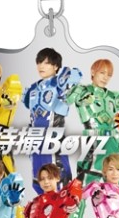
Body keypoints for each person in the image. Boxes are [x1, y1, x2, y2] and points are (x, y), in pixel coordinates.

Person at [65, 59, 119, 218]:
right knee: (80, 189)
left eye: (109, 74)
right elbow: (67, 99)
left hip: (113, 143)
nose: (105, 77)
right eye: (102, 73)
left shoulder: (114, 97)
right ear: (93, 71)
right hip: (93, 144)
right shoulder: (82, 91)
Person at [22, 48, 82, 193]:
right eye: (39, 62)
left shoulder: (60, 83)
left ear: (55, 66)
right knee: (38, 180)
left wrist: (65, 82)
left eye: (46, 63)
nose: (41, 66)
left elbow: (75, 76)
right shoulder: (33, 88)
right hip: (35, 140)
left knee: (58, 178)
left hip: (53, 138)